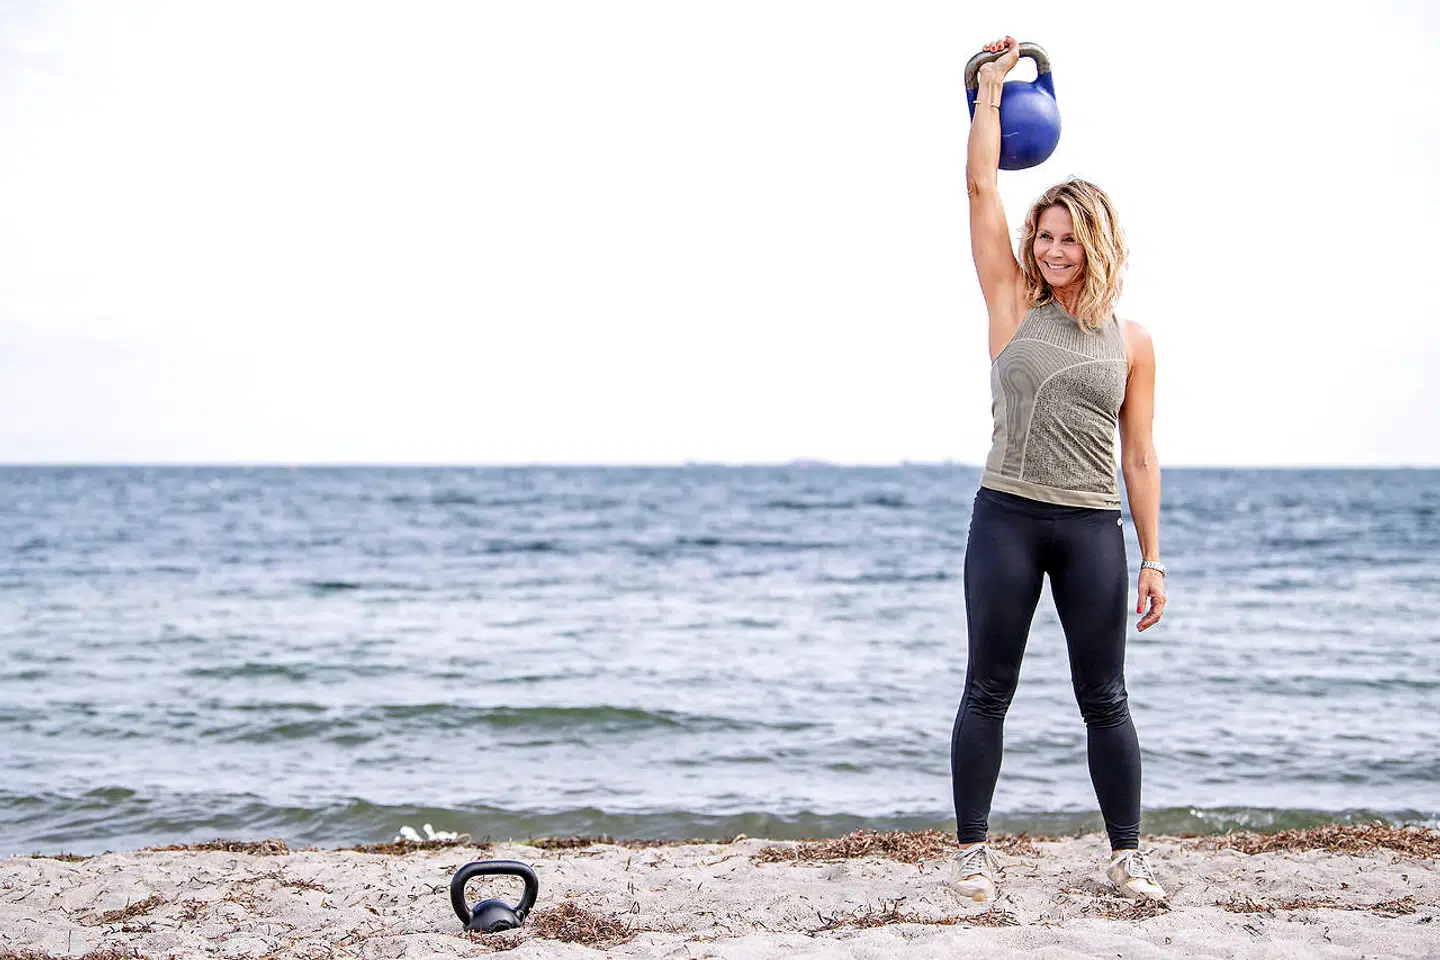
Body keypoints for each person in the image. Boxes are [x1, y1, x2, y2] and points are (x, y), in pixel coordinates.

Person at [950, 36, 1168, 903]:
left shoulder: (1133, 341)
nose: (1050, 250)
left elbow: (1139, 455)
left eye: (1067, 239)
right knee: (987, 690)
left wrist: (1153, 557)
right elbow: (980, 186)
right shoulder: (1010, 301)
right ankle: (973, 855)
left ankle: (1127, 855)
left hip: (1089, 529)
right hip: (1006, 516)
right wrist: (990, 94)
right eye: (1042, 236)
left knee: (1105, 698)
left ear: (1096, 243)